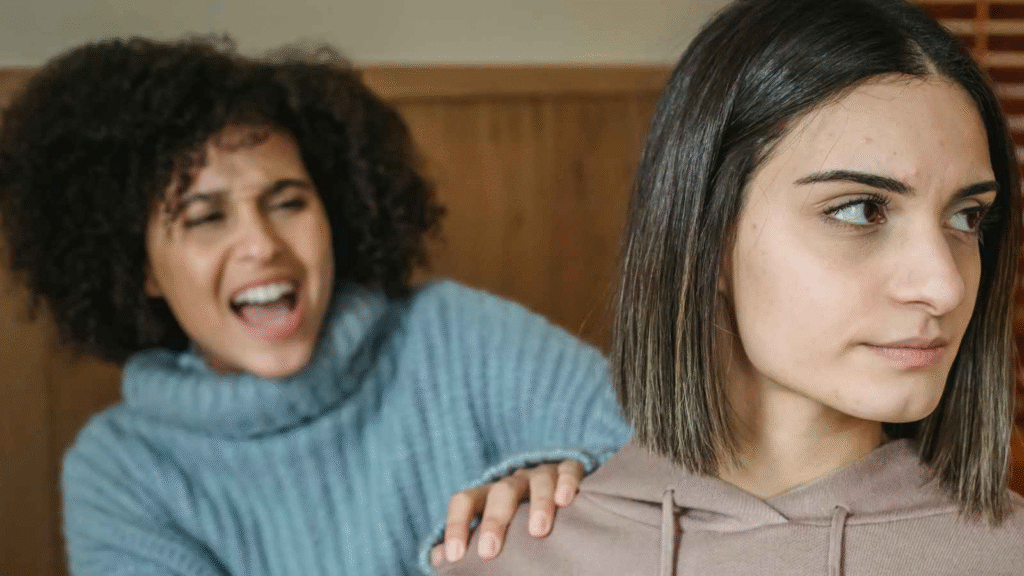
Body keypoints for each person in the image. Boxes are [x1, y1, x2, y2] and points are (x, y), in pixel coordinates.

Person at [0, 37, 631, 576]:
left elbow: (661, 443)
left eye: (288, 202)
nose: (262, 245)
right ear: (139, 268)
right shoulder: (121, 470)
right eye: (206, 218)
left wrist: (572, 478)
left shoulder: (453, 332)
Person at [437, 0, 1024, 574]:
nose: (945, 286)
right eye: (860, 210)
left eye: (966, 217)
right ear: (706, 238)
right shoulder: (510, 558)